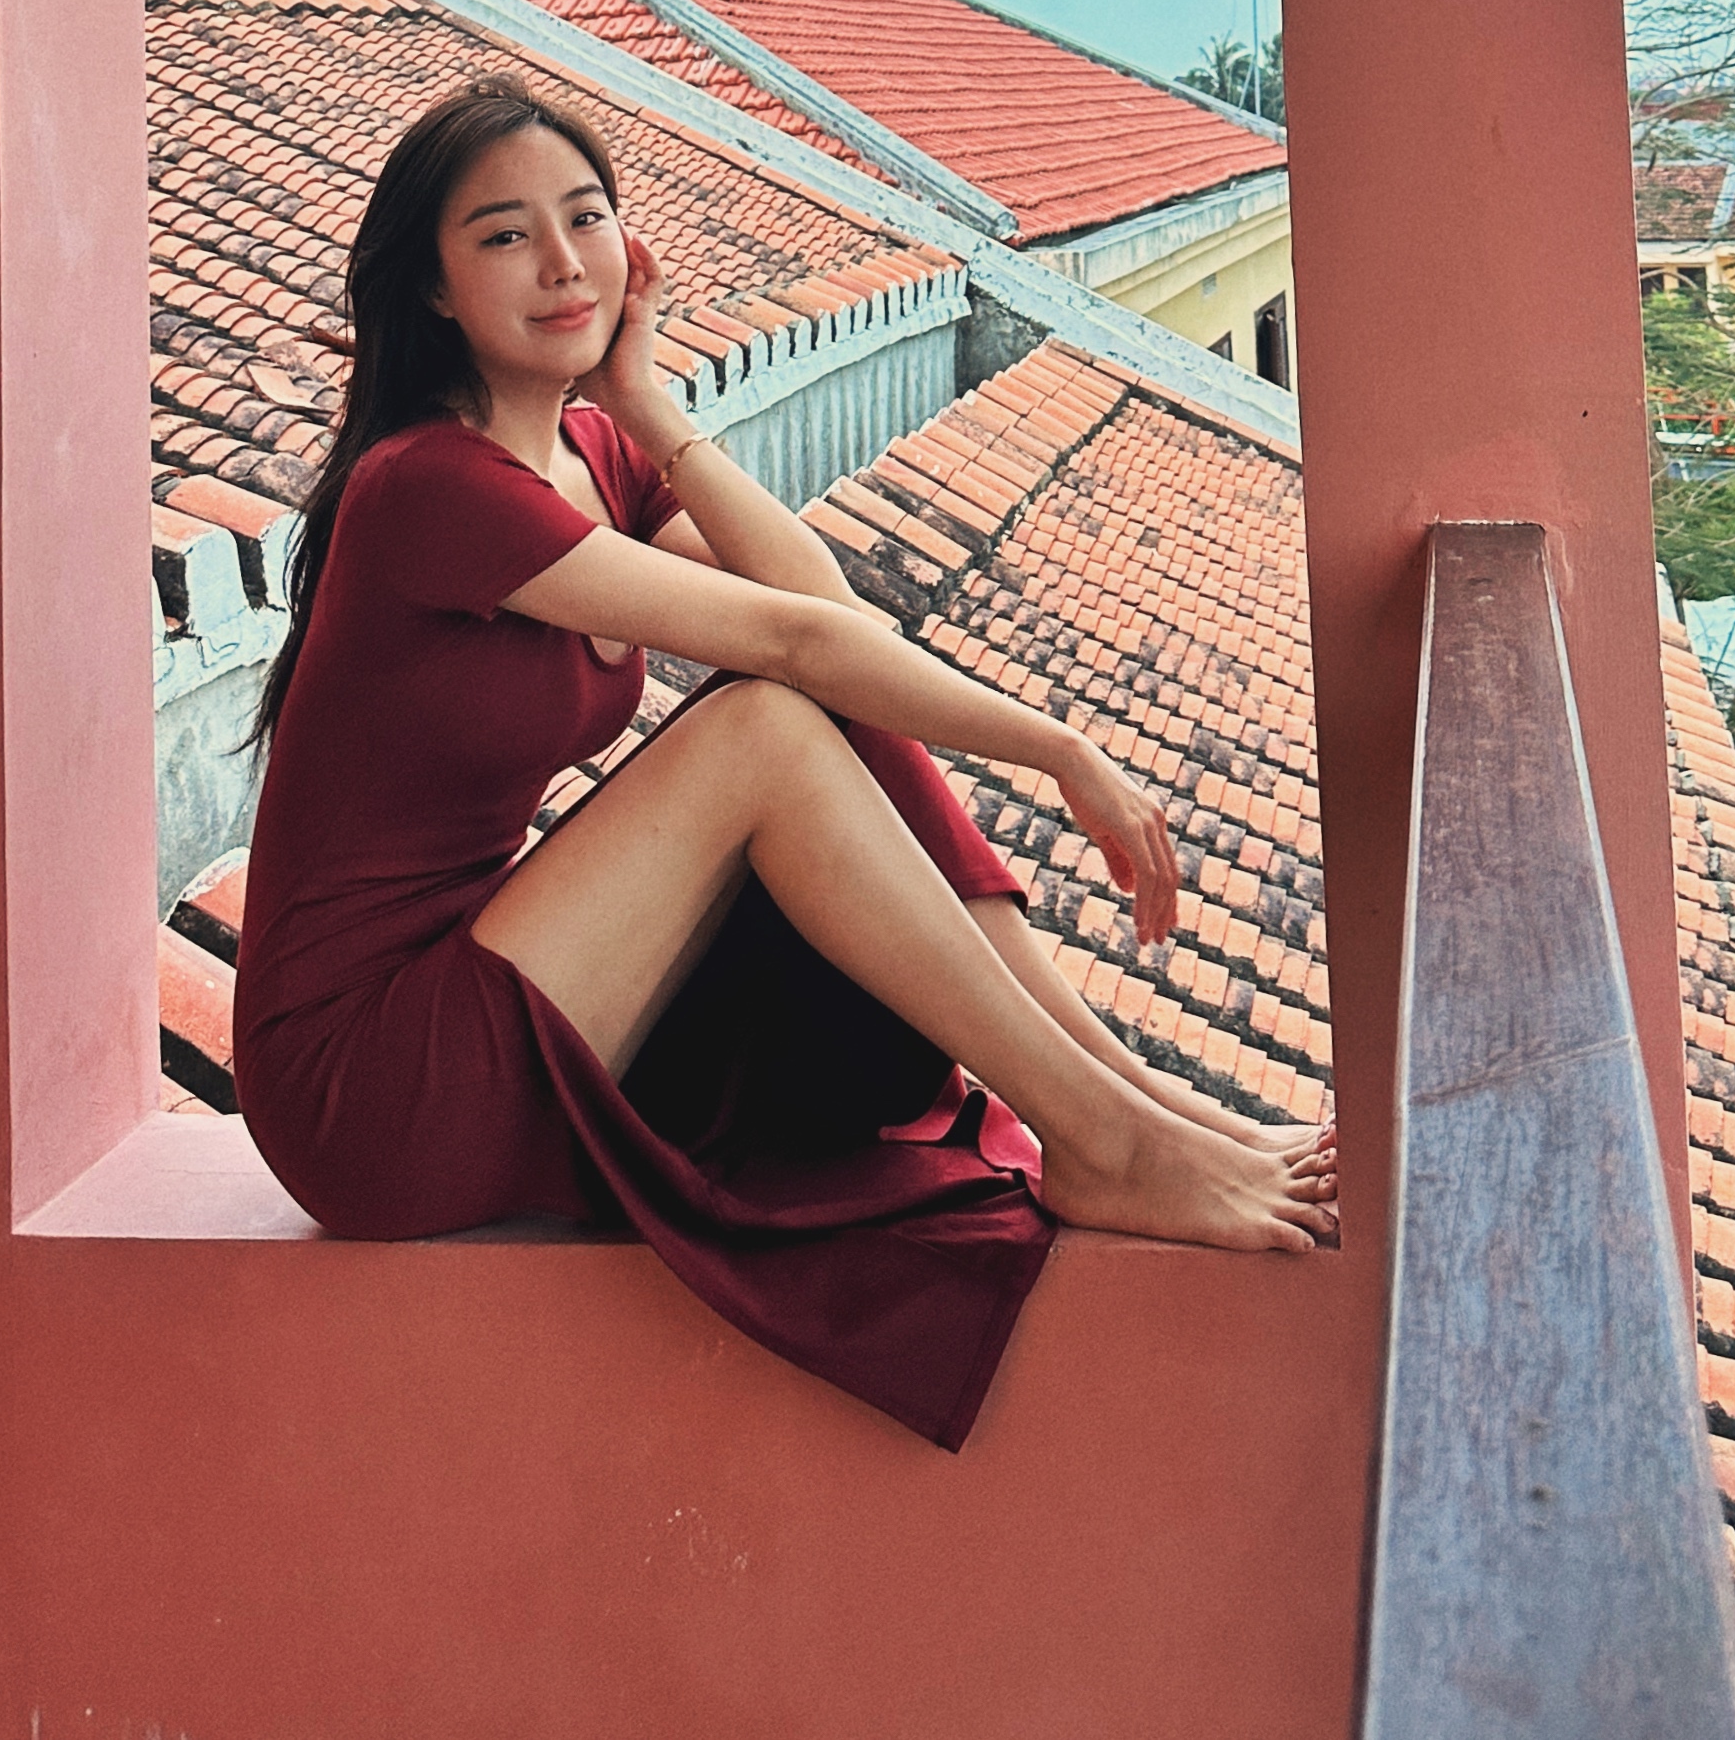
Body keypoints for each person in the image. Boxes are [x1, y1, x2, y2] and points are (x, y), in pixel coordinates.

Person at [233, 74, 1336, 1448]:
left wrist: (649, 407)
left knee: (816, 702)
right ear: (434, 288)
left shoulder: (589, 450)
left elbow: (819, 605)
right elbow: (794, 640)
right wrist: (1059, 747)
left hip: (505, 974)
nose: (564, 262)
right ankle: (1102, 1140)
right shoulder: (427, 486)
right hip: (364, 1075)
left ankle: (1133, 1102)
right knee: (765, 722)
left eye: (586, 216)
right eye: (505, 235)